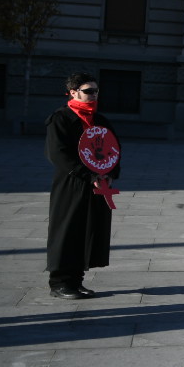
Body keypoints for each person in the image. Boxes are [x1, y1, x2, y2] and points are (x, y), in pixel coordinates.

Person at [44, 72, 121, 300]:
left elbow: (114, 148)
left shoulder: (100, 120)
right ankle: (59, 283)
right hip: (71, 183)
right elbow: (58, 153)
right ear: (73, 92)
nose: (94, 95)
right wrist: (87, 174)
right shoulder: (60, 118)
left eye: (96, 91)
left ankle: (76, 281)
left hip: (97, 183)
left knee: (87, 230)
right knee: (67, 230)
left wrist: (110, 172)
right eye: (88, 91)